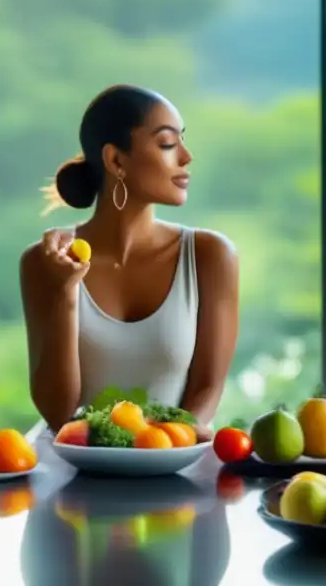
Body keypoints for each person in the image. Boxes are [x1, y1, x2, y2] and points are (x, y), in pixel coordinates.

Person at [18, 84, 239, 438]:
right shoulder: (45, 260)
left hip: (172, 461)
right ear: (116, 160)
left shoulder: (211, 256)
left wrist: (159, 445)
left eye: (181, 140)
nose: (186, 157)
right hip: (68, 469)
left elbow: (207, 390)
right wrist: (66, 293)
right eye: (168, 144)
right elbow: (58, 414)